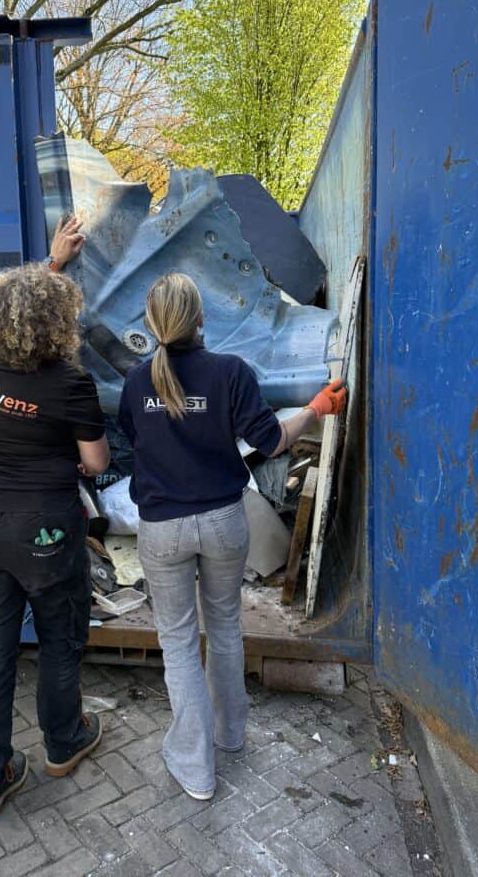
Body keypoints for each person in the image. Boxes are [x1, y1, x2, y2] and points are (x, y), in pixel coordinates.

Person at [118, 272, 345, 800]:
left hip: (163, 528)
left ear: (151, 325)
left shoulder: (135, 382)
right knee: (223, 628)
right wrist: (316, 409)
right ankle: (231, 735)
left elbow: (135, 440)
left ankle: (196, 768)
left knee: (178, 643)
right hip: (223, 521)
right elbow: (271, 442)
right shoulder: (230, 372)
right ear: (201, 319)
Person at [0, 216, 110, 826]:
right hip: (45, 533)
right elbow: (95, 462)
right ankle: (64, 743)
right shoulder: (71, 383)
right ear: (60, 323)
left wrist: (50, 263)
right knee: (59, 640)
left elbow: (19, 314)